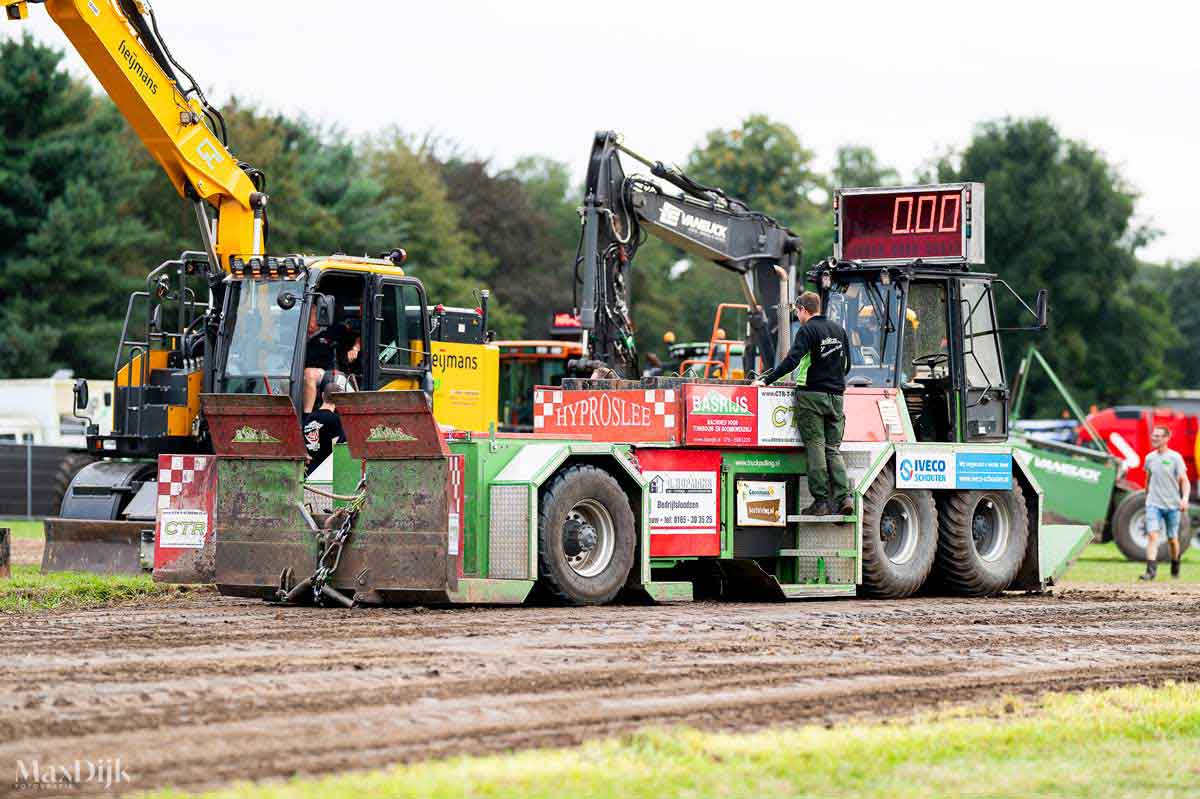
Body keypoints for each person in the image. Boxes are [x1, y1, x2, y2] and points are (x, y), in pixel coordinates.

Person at [752, 290, 851, 516]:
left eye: (797, 312)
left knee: (815, 445)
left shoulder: (808, 330)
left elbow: (792, 360)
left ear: (803, 310)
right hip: (837, 396)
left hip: (812, 396)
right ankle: (844, 496)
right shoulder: (839, 330)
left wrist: (766, 380)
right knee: (832, 448)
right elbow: (847, 365)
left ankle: (821, 501)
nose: (797, 316)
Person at [1139, 425, 1190, 580]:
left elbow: (1184, 481)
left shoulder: (1175, 458)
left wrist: (1184, 499)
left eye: (1158, 436)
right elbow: (1148, 479)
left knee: (1172, 539)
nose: (1154, 438)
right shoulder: (1149, 458)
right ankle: (1150, 571)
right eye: (1153, 435)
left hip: (1172, 505)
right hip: (1153, 503)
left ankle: (1175, 565)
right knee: (1152, 535)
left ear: (1167, 438)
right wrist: (1147, 496)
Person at [303, 306, 357, 413]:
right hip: (298, 373)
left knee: (309, 373)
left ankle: (306, 416)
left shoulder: (334, 330)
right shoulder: (297, 334)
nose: (306, 318)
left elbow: (359, 335)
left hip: (327, 373)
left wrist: (355, 348)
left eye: (310, 315)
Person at [302, 373, 347, 476]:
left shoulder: (308, 418)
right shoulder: (335, 420)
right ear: (338, 400)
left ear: (322, 396)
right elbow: (336, 450)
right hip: (324, 475)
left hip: (307, 473)